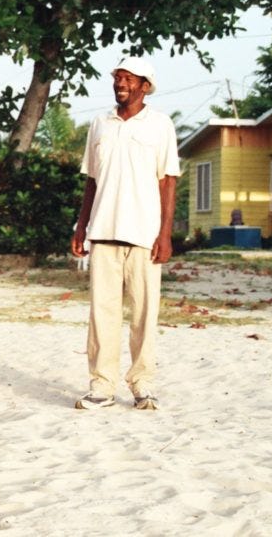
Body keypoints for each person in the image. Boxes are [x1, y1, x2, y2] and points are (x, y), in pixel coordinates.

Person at [70, 56, 179, 411]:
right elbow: (91, 179)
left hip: (145, 236)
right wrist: (81, 225)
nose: (121, 84)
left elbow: (168, 181)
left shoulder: (160, 125)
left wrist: (165, 234)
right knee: (102, 314)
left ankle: (142, 384)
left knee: (145, 314)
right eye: (118, 77)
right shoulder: (100, 124)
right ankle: (102, 387)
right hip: (103, 231)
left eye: (129, 79)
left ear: (145, 86)